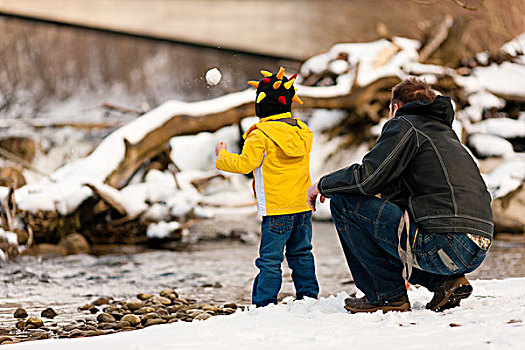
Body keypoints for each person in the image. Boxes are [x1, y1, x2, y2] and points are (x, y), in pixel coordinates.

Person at [307, 77, 493, 313]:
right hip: (476, 247)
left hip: (446, 245)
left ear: (395, 107)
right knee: (388, 222)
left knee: (345, 202)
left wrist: (323, 185)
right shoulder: (445, 134)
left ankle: (386, 295)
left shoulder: (405, 125)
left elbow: (367, 178)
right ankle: (445, 282)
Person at [215, 67, 319, 307]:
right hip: (302, 207)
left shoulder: (260, 135)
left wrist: (222, 156)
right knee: (302, 254)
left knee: (270, 260)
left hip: (276, 209)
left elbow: (245, 164)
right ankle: (309, 298)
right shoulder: (302, 132)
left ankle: (264, 304)